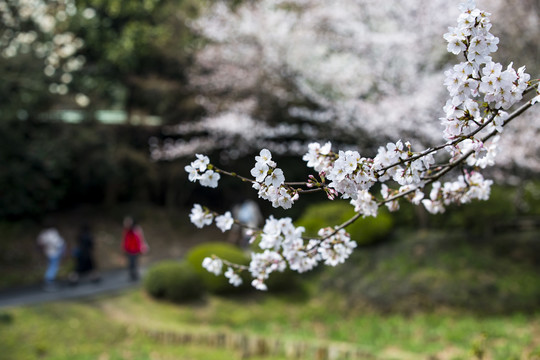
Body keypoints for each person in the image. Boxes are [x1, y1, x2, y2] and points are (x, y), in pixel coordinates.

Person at [36, 226, 66, 291]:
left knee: (50, 266)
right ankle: (49, 281)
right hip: (54, 253)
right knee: (53, 266)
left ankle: (49, 280)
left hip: (47, 253)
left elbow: (39, 243)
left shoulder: (43, 234)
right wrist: (62, 250)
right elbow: (58, 243)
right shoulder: (52, 233)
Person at [122, 217, 148, 281]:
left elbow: (139, 240)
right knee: (131, 264)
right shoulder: (126, 231)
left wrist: (140, 249)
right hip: (129, 250)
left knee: (133, 263)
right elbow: (125, 240)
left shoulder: (135, 230)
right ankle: (132, 275)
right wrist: (124, 248)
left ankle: (134, 275)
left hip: (134, 250)